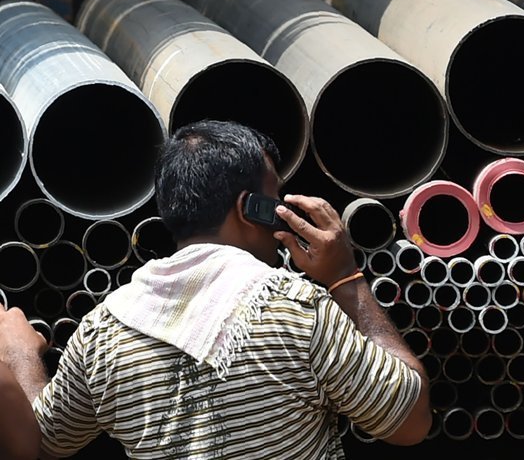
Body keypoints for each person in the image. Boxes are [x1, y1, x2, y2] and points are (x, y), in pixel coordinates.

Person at [0, 120, 431, 458]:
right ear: (251, 209)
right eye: (276, 199)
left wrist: (21, 354)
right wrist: (345, 277)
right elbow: (410, 422)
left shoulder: (102, 333)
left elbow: (41, 441)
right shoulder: (296, 309)